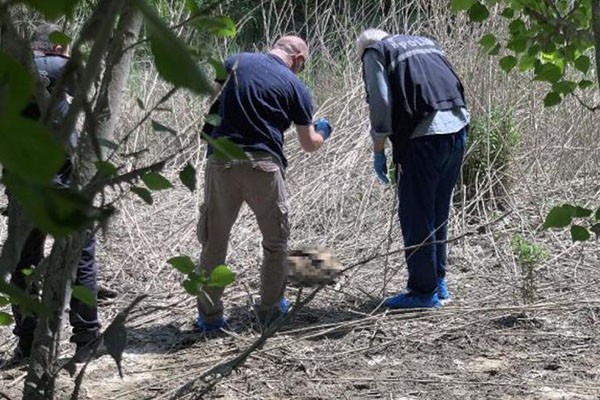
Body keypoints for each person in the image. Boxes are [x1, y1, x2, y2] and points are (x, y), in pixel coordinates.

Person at [196, 35, 332, 331]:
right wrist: (323, 131)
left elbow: (212, 106)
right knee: (275, 243)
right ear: (297, 59)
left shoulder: (234, 61)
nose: (301, 70)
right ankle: (270, 312)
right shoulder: (297, 87)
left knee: (214, 242)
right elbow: (309, 144)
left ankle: (209, 318)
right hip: (264, 165)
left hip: (221, 161)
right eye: (303, 65)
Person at [356, 29, 469, 309]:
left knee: (417, 214)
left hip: (424, 138)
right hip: (458, 128)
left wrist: (379, 148)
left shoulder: (376, 51)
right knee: (437, 211)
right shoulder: (427, 42)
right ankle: (438, 283)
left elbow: (381, 101)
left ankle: (422, 292)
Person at [7, 23, 101, 361]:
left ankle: (27, 342)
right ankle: (87, 338)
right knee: (80, 257)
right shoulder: (61, 66)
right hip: (63, 184)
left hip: (22, 187)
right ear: (58, 47)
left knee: (24, 261)